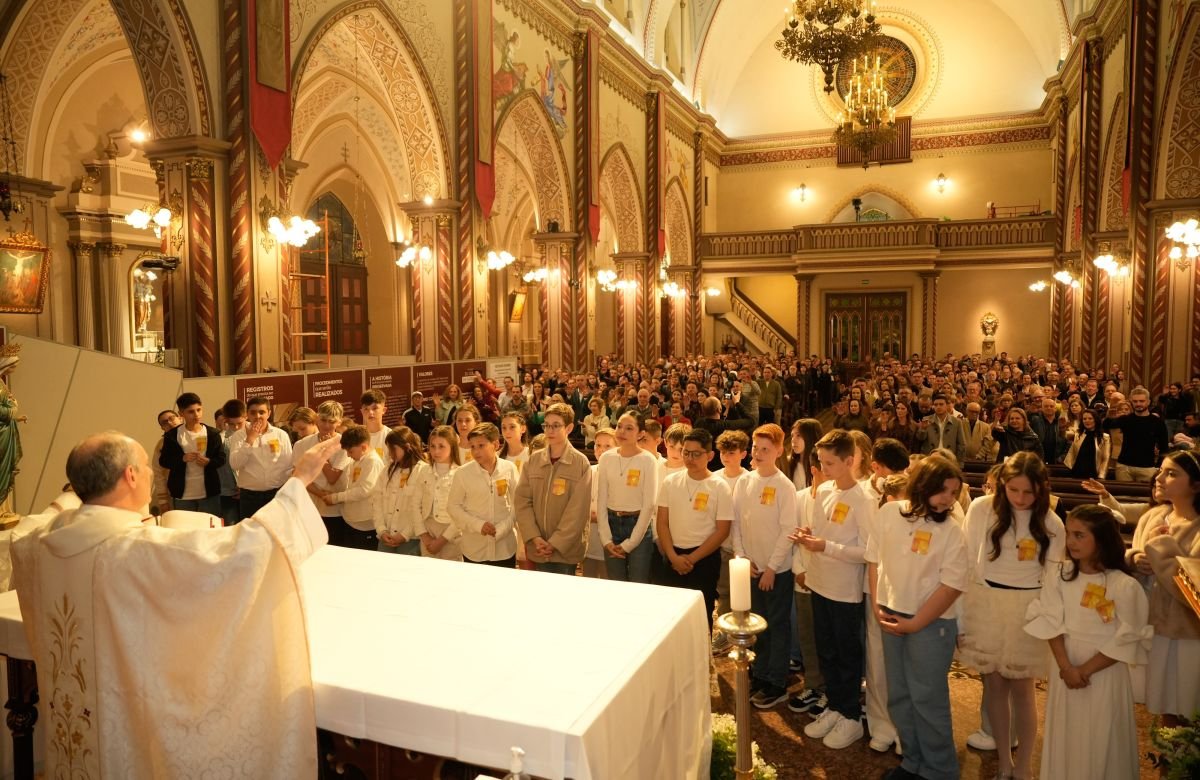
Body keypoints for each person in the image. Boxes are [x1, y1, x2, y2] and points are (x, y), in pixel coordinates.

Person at [10, 430, 343, 778]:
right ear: (130, 475)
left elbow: (21, 533)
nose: (151, 473)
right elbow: (246, 551)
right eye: (145, 465)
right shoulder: (135, 550)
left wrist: (71, 497)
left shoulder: (41, 544)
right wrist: (299, 479)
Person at [1024, 505, 1151, 780]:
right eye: (1069, 534)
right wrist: (1066, 667)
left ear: (1102, 539)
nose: (1070, 541)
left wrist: (1084, 670)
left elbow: (1128, 637)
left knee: (1101, 734)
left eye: (1080, 535)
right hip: (1065, 666)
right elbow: (1050, 621)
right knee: (1067, 733)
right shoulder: (1059, 575)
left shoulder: (1123, 585)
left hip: (1103, 671)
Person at [959, 451, 1065, 780]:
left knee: (1023, 690)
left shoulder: (1051, 522)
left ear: (1041, 489)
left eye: (1028, 492)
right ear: (1002, 484)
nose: (1019, 498)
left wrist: (1048, 621)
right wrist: (961, 615)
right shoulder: (981, 508)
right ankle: (1004, 762)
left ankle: (1023, 765)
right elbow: (967, 561)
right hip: (986, 601)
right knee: (994, 686)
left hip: (1028, 607)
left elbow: (1053, 578)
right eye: (1013, 490)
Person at [866, 457, 968, 780]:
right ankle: (912, 762)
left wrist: (915, 623)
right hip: (891, 612)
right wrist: (878, 604)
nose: (948, 499)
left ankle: (940, 770)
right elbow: (874, 561)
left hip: (931, 622)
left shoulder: (952, 531)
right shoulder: (889, 513)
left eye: (953, 493)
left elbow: (951, 586)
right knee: (899, 695)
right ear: (923, 486)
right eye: (943, 490)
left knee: (927, 698)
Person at [795, 430, 874, 750]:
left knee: (846, 653)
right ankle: (836, 706)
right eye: (821, 461)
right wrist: (808, 535)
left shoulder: (863, 498)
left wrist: (825, 545)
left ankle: (851, 715)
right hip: (819, 581)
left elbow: (868, 551)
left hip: (844, 589)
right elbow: (822, 530)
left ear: (849, 461)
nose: (823, 469)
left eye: (829, 463)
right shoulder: (825, 490)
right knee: (825, 649)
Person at [1125, 449, 1200, 727]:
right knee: (1164, 708)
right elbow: (1134, 555)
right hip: (1152, 627)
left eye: (1171, 473)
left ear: (1196, 485)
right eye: (1161, 471)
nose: (1159, 478)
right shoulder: (1154, 516)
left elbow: (1191, 591)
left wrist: (1160, 550)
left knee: (1187, 710)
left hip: (1187, 634)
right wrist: (1133, 559)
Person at [732, 424, 796, 710]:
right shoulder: (745, 481)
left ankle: (777, 681)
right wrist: (742, 557)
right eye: (755, 448)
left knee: (777, 625)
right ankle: (760, 674)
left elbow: (787, 530)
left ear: (779, 451)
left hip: (776, 571)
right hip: (751, 566)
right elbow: (737, 523)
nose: (758, 454)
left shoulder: (784, 486)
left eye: (765, 449)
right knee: (757, 623)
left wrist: (771, 568)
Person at [653, 428, 733, 630]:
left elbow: (722, 530)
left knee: (701, 617)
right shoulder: (671, 481)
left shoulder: (719, 486)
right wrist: (673, 556)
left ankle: (702, 651)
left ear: (710, 455)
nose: (690, 458)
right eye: (686, 453)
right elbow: (662, 522)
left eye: (696, 454)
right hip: (673, 555)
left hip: (704, 558)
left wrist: (692, 559)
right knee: (670, 616)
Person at [514, 403, 592, 575]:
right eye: (546, 425)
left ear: (569, 428)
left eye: (556, 425)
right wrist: (534, 537)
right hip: (537, 547)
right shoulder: (533, 461)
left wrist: (555, 543)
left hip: (565, 551)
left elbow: (577, 511)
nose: (550, 430)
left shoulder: (580, 463)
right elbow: (522, 501)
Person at [595, 411, 661, 583]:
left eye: (629, 428)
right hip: (612, 524)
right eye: (619, 426)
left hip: (638, 525)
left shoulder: (648, 460)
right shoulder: (607, 458)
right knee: (616, 583)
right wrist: (606, 539)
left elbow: (649, 505)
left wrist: (630, 544)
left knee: (638, 582)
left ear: (641, 434)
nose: (622, 432)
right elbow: (601, 500)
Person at [788, 447, 827, 719]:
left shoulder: (837, 500)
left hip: (827, 581)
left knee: (826, 638)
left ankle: (828, 689)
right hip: (802, 576)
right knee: (807, 635)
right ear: (815, 470)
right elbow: (791, 538)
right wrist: (799, 570)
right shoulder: (800, 497)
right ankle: (812, 684)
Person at [447, 423, 519, 567]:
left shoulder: (509, 468)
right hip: (474, 548)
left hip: (504, 548)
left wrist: (503, 528)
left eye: (481, 445)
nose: (476, 451)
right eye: (472, 446)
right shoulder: (462, 473)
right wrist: (478, 525)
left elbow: (518, 504)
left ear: (496, 444)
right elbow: (453, 507)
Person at [314, 424, 384, 550]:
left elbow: (364, 490)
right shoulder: (358, 460)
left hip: (365, 524)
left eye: (350, 451)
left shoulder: (372, 461)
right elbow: (352, 487)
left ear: (363, 447)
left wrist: (335, 498)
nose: (348, 455)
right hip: (352, 521)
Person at [293, 401, 351, 546]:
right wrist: (319, 493)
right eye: (323, 420)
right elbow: (297, 477)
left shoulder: (344, 444)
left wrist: (323, 452)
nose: (326, 425)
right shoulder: (301, 444)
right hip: (310, 508)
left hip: (336, 511)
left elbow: (332, 478)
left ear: (339, 422)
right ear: (317, 418)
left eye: (331, 422)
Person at [227, 396, 294, 518]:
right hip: (249, 497)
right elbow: (235, 464)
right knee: (250, 530)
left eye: (261, 412)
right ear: (247, 414)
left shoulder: (281, 435)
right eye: (253, 412)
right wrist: (249, 440)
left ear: (269, 413)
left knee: (275, 529)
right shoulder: (239, 436)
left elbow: (288, 466)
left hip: (276, 495)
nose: (257, 416)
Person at [159, 392, 225, 515]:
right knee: (185, 526)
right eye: (191, 411)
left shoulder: (213, 434)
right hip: (182, 494)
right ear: (181, 413)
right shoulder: (172, 436)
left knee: (210, 526)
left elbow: (221, 459)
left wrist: (209, 462)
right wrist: (182, 458)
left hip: (209, 492)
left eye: (198, 410)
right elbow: (163, 461)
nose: (196, 415)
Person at [375, 428, 433, 555]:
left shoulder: (424, 471)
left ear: (407, 447)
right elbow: (377, 501)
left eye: (393, 449)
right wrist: (381, 530)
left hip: (412, 539)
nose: (390, 453)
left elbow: (422, 510)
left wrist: (405, 535)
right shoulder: (387, 470)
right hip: (386, 536)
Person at [1103, 386, 1170, 482]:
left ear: (1148, 402)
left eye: (1141, 401)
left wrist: (1159, 466)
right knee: (1122, 492)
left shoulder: (1157, 422)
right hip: (1124, 466)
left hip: (1147, 467)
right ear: (1131, 402)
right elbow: (1106, 425)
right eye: (1135, 401)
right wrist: (1112, 414)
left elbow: (1164, 447)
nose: (1138, 404)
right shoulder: (1126, 419)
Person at [420, 426, 463, 561]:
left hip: (451, 534)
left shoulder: (461, 474)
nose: (436, 451)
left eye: (441, 446)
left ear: (452, 447)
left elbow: (461, 513)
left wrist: (442, 540)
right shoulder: (423, 471)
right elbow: (415, 505)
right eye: (432, 446)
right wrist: (424, 535)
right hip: (427, 532)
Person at [583, 427, 616, 579]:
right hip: (589, 539)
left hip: (610, 539)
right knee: (587, 579)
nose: (601, 450)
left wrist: (600, 517)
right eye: (598, 445)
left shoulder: (619, 474)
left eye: (607, 446)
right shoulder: (588, 471)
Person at [917, 393, 966, 463]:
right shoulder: (926, 420)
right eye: (936, 405)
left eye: (941, 404)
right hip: (930, 458)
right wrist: (923, 429)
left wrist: (959, 463)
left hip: (949, 458)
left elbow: (961, 444)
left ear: (947, 406)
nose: (938, 407)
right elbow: (920, 439)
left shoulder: (956, 422)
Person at [1064, 408, 1110, 480]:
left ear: (1096, 420)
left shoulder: (1104, 437)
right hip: (1076, 473)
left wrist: (1101, 476)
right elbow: (1065, 436)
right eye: (1084, 419)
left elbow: (1105, 458)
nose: (1087, 421)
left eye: (1090, 418)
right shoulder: (1078, 435)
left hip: (1094, 474)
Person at [150, 408, 180, 515]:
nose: (169, 423)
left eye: (172, 418)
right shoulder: (161, 445)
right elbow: (158, 474)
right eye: (165, 422)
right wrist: (163, 502)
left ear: (180, 418)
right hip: (175, 494)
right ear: (162, 427)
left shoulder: (195, 437)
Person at [787, 418, 824, 491]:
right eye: (792, 436)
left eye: (798, 435)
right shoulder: (789, 463)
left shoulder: (823, 466)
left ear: (811, 437)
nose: (793, 440)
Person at [360, 389, 391, 463]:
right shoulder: (357, 436)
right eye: (366, 409)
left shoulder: (390, 436)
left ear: (384, 410)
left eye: (375, 408)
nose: (370, 412)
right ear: (362, 411)